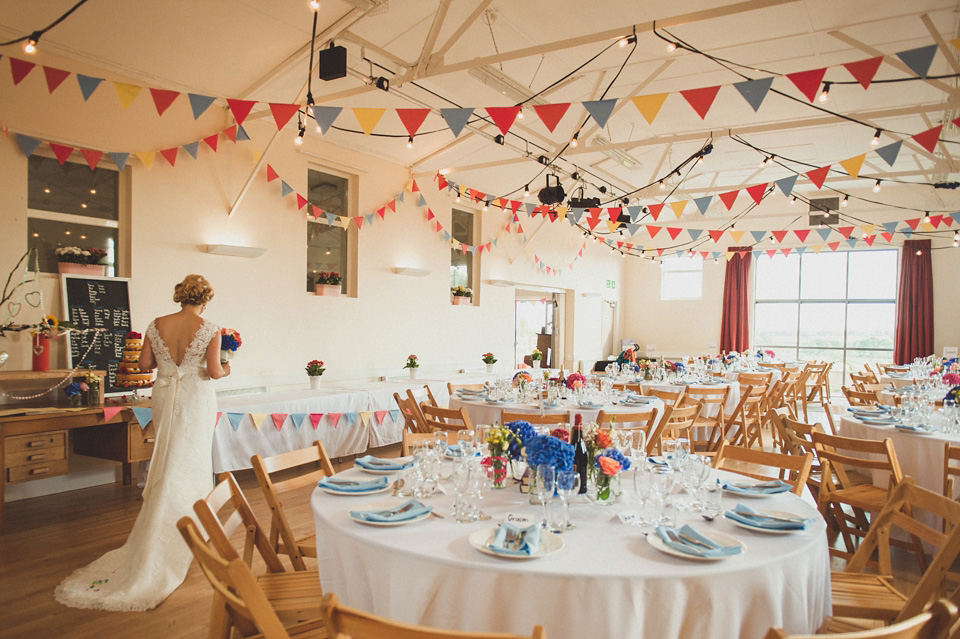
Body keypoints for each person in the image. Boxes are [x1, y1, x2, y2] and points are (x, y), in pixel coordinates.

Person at [55, 274, 230, 611]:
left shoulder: (156, 323)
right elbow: (212, 372)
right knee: (190, 457)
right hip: (195, 397)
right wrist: (226, 367)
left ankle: (166, 518)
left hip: (163, 394)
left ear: (180, 296)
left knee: (167, 454)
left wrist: (171, 365)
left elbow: (143, 365)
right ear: (205, 299)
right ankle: (188, 526)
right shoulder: (211, 327)